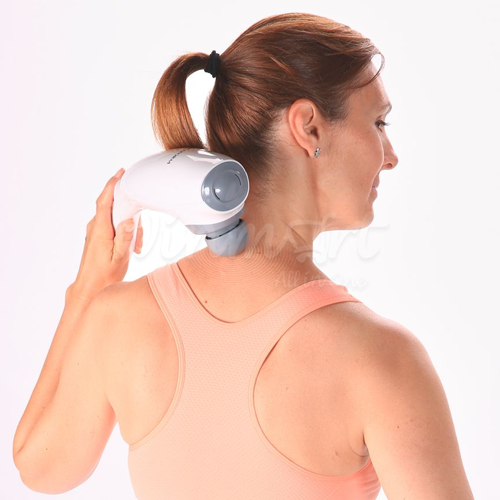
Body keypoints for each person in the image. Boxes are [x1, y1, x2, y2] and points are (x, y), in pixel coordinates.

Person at [13, 12, 475, 500]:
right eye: (378, 122)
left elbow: (39, 468)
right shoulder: (381, 360)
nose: (391, 154)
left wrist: (88, 287)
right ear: (309, 128)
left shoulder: (118, 319)